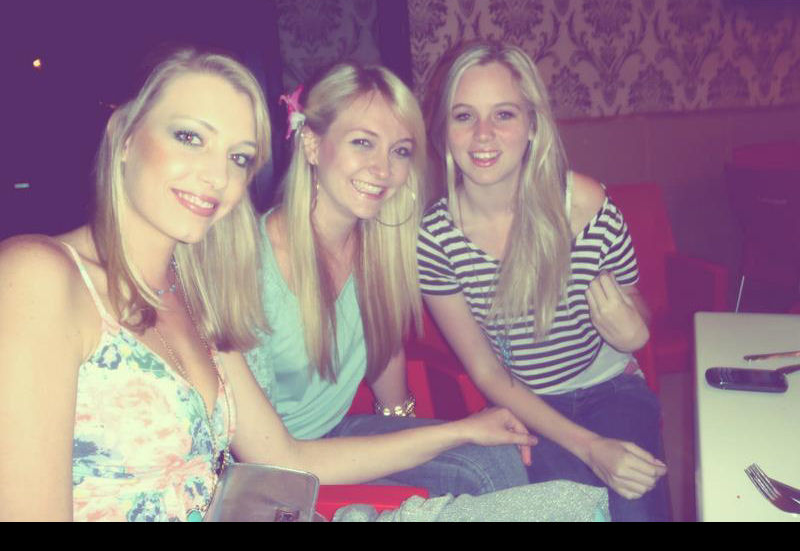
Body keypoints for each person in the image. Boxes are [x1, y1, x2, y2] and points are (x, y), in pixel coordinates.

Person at [0, 48, 606, 522]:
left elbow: (290, 447)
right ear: (125, 136)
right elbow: (273, 463)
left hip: (273, 488)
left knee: (563, 505)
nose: (216, 174)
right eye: (189, 136)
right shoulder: (41, 274)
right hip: (276, 487)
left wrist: (449, 426)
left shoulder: (197, 292)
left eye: (239, 157)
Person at [244, 63, 529, 497]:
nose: (383, 169)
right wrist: (451, 433)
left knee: (495, 459)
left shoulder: (379, 246)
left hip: (337, 433)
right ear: (312, 144)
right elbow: (268, 457)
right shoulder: (253, 266)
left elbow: (384, 350)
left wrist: (405, 431)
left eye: (400, 151)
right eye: (363, 142)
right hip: (271, 473)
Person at [418, 41, 670, 522]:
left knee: (634, 505)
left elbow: (635, 304)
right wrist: (590, 447)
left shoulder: (585, 205)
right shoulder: (435, 239)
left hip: (611, 387)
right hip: (527, 404)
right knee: (569, 512)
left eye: (504, 114)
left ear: (533, 124)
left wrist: (634, 328)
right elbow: (487, 372)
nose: (483, 134)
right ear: (443, 130)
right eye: (464, 116)